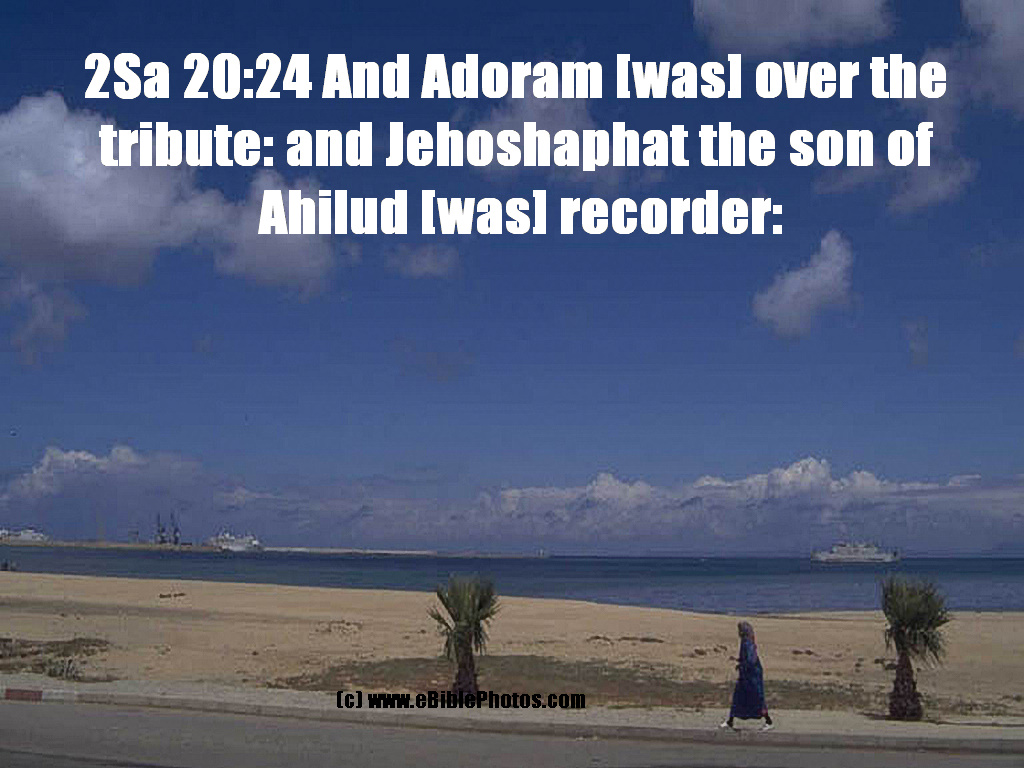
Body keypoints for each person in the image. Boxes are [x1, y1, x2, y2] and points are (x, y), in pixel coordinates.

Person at [720, 621, 774, 731]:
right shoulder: (746, 642)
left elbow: (751, 660)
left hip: (752, 676)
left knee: (757, 698)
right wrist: (738, 660)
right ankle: (730, 721)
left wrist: (741, 665)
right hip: (747, 675)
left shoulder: (747, 643)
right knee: (739, 697)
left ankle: (768, 721)